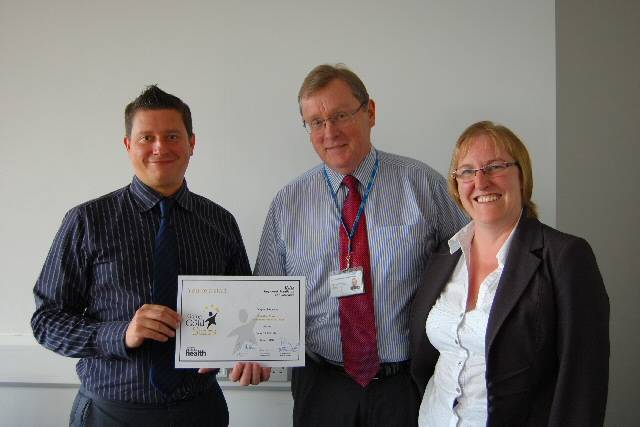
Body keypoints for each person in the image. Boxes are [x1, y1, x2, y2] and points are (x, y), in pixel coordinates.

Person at [31, 85, 268, 427]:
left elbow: (249, 310)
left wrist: (250, 352)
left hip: (200, 411)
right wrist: (120, 333)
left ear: (192, 143)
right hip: (111, 412)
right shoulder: (87, 221)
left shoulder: (220, 222)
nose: (160, 147)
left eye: (172, 135)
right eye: (146, 137)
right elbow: (46, 321)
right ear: (128, 146)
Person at [254, 64, 468, 427]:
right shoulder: (288, 203)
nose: (330, 132)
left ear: (370, 112)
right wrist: (255, 350)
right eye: (316, 122)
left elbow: (473, 262)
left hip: (405, 386)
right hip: (322, 386)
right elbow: (266, 295)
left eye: (340, 115)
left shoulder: (423, 186)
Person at [409, 121, 610, 426]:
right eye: (467, 171)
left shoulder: (565, 257)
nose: (481, 181)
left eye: (494, 167)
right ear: (456, 185)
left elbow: (583, 379)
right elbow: (428, 361)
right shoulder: (444, 256)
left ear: (522, 176)